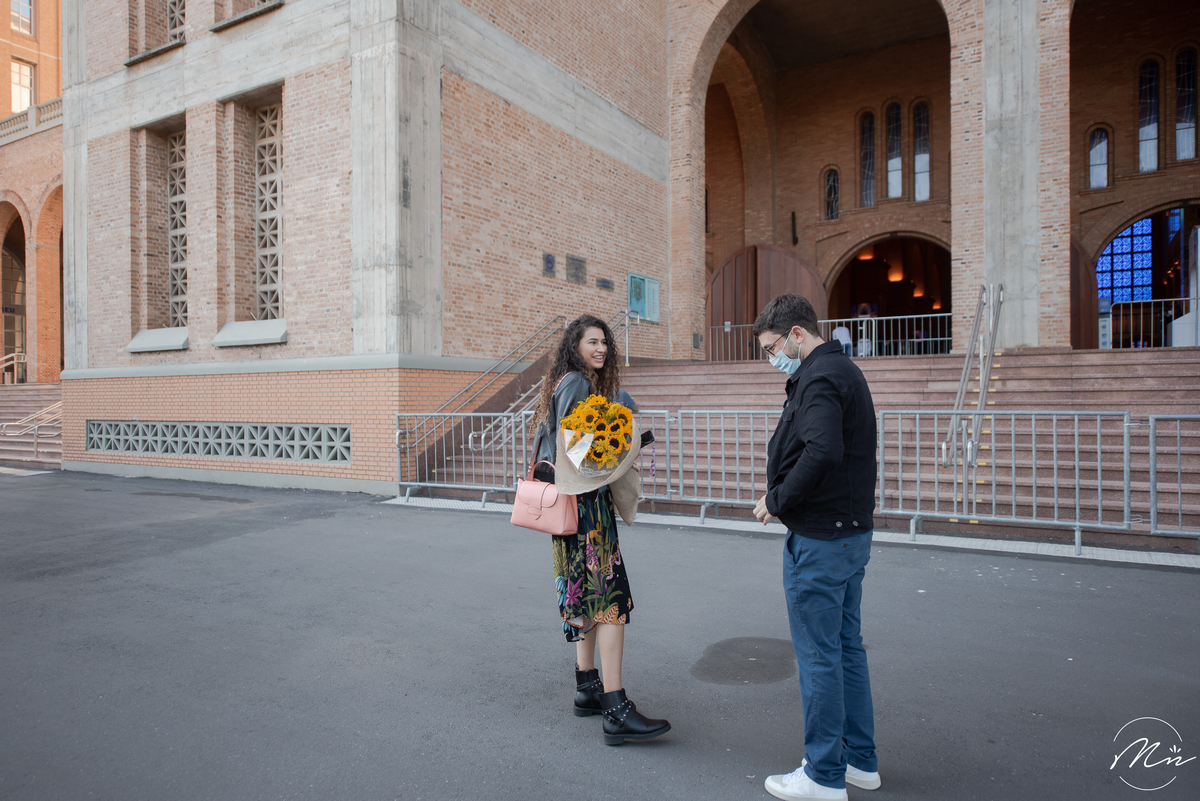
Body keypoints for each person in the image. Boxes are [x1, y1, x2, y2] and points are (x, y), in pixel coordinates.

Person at [751, 294, 881, 801]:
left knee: (820, 656)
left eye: (772, 347)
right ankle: (858, 762)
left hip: (823, 538)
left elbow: (823, 449)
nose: (771, 358)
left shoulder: (821, 376)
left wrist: (777, 499)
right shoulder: (840, 369)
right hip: (848, 533)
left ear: (797, 335)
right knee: (846, 649)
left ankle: (824, 774)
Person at [530, 313, 670, 746]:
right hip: (587, 513)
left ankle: (587, 687)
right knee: (611, 600)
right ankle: (616, 708)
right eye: (592, 341)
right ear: (575, 346)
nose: (601, 348)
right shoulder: (577, 384)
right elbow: (582, 454)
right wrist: (622, 424)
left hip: (570, 514)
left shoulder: (562, 382)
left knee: (585, 597)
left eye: (605, 342)